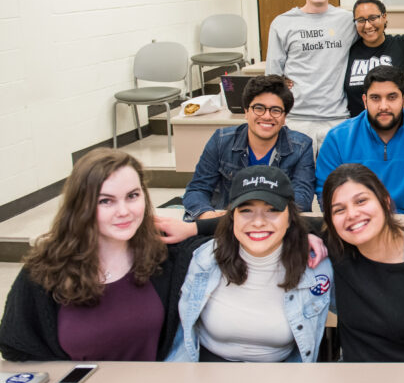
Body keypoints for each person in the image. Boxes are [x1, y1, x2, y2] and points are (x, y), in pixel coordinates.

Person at [0, 149, 208, 362]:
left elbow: (237, 226)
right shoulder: (44, 270)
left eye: (132, 196)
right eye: (106, 201)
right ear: (81, 206)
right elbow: (16, 348)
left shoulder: (166, 253)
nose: (124, 211)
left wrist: (194, 228)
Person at [167, 165, 333, 362]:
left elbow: (342, 228)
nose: (258, 222)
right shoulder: (203, 259)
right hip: (204, 371)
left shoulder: (316, 266)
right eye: (246, 210)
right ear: (232, 218)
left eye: (272, 210)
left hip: (283, 378)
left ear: (290, 219)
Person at [320, 163, 404, 362]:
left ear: (385, 201)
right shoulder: (337, 249)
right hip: (354, 381)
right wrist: (308, 237)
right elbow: (292, 225)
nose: (351, 214)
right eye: (339, 210)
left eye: (361, 201)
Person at [315, 65, 404, 214]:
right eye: (375, 98)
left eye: (392, 97)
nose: (383, 106)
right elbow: (327, 194)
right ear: (365, 101)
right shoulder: (338, 138)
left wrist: (397, 234)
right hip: (356, 223)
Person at [182, 75, 314, 221]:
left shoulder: (301, 146)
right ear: (246, 111)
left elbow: (302, 199)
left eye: (276, 110)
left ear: (284, 117)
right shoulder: (221, 140)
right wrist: (206, 215)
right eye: (259, 108)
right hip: (227, 224)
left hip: (278, 224)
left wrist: (263, 217)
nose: (267, 116)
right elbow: (197, 189)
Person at [265, 0, 358, 152]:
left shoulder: (348, 21)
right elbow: (272, 78)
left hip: (337, 119)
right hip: (296, 120)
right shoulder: (282, 23)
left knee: (337, 182)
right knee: (298, 182)